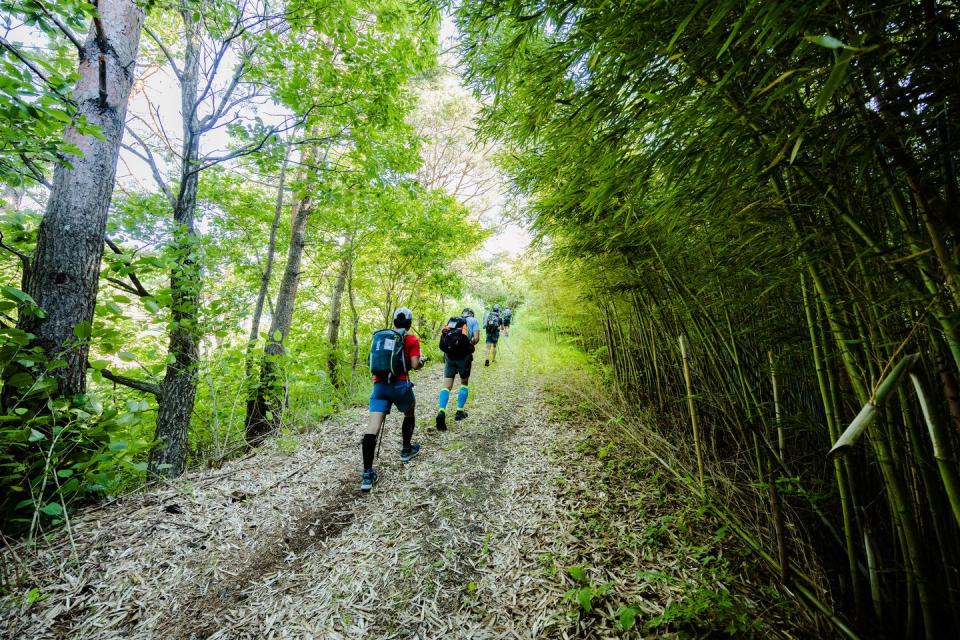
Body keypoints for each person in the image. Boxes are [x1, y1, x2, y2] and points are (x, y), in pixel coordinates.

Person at [361, 307, 425, 492]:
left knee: (372, 428)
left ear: (394, 321)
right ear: (409, 323)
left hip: (379, 386)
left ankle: (367, 474)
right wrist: (421, 362)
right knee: (410, 411)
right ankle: (406, 449)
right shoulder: (411, 339)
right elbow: (414, 364)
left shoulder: (382, 337)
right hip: (400, 386)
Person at [436, 307, 480, 431]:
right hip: (463, 357)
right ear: (472, 314)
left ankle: (441, 411)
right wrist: (469, 344)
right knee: (464, 382)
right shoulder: (474, 321)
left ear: (462, 314)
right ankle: (459, 411)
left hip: (449, 356)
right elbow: (476, 339)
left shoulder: (453, 321)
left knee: (447, 385)